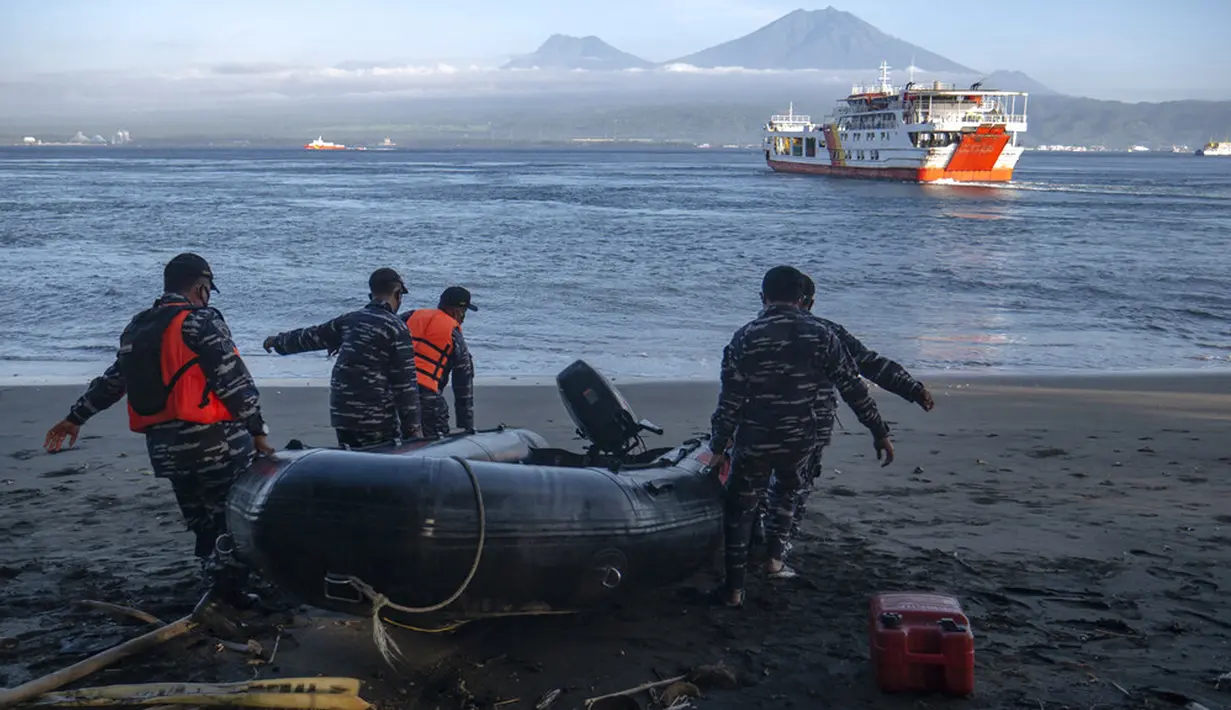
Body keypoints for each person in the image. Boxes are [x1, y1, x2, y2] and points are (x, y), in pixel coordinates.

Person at [43, 253, 275, 607]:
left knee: (199, 517)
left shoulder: (138, 327)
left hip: (165, 448)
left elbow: (115, 379)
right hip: (212, 442)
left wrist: (76, 417)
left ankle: (212, 577)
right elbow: (232, 378)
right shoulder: (200, 322)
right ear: (200, 287)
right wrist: (257, 429)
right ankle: (227, 593)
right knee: (229, 515)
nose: (208, 296)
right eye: (208, 289)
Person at [707, 265, 895, 608]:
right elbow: (853, 387)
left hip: (756, 437)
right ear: (802, 298)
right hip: (801, 438)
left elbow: (730, 400)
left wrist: (718, 446)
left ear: (763, 297)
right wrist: (878, 431)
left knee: (741, 508)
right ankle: (774, 561)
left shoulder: (745, 336)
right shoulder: (822, 335)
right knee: (787, 495)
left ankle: (734, 590)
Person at [262, 268, 421, 449]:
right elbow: (405, 384)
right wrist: (413, 431)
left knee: (349, 459)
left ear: (371, 295)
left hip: (343, 412)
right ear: (398, 294)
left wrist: (277, 341)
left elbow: (311, 336)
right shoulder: (396, 328)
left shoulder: (351, 320)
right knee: (377, 466)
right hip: (376, 416)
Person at [402, 286, 476, 439]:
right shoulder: (454, 335)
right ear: (457, 311)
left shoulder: (409, 316)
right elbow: (463, 384)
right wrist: (466, 426)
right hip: (426, 399)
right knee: (435, 443)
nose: (463, 318)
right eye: (464, 312)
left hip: (394, 392)